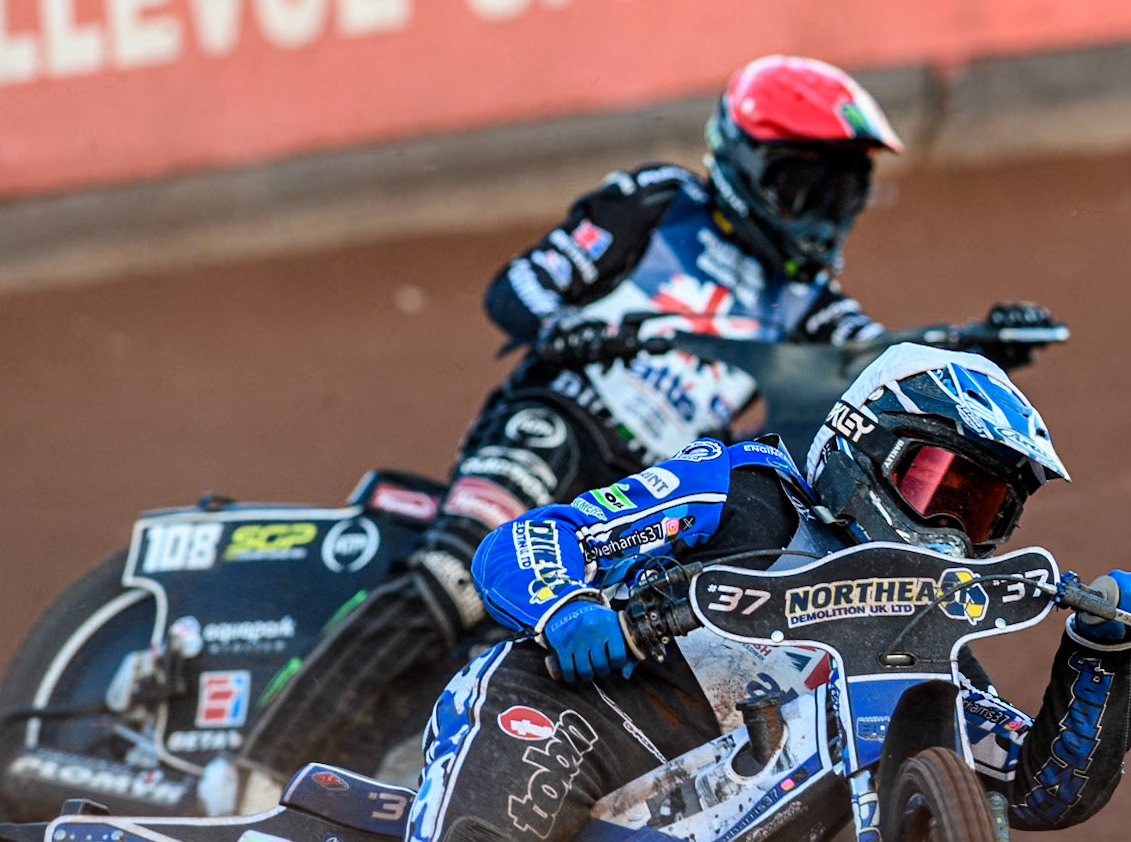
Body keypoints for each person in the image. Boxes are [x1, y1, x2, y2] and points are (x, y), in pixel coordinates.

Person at [196, 345, 1131, 842]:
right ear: (859, 444)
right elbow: (531, 539)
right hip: (562, 719)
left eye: (987, 507)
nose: (957, 525)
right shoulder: (744, 491)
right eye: (940, 485)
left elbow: (1044, 790)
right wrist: (573, 605)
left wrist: (1100, 655)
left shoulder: (924, 649)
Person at [242, 53, 1056, 777]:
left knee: (651, 641)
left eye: (839, 194)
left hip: (652, 481)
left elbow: (869, 362)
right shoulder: (654, 203)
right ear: (745, 161)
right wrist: (587, 324)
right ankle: (252, 767)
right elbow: (513, 295)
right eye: (804, 186)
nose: (818, 213)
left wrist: (969, 340)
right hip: (560, 424)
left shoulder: (805, 300)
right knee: (455, 575)